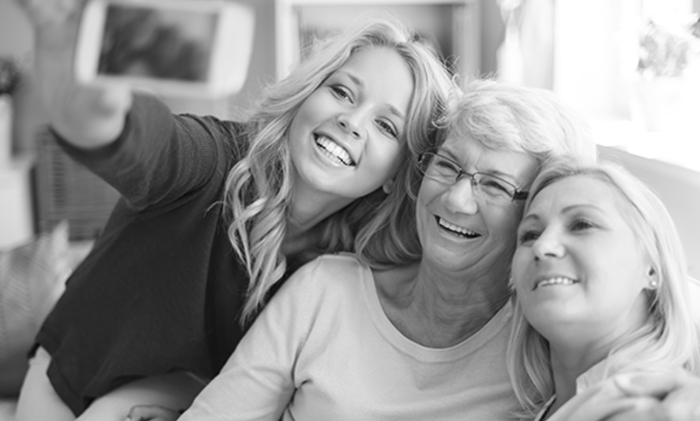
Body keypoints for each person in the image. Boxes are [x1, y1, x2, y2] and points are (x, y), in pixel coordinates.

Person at [13, 0, 454, 419]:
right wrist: (89, 96)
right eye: (342, 92)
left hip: (186, 395)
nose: (351, 122)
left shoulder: (354, 264)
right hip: (73, 377)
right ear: (307, 94)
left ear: (397, 173)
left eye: (386, 126)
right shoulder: (214, 161)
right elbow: (139, 143)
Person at [126, 78, 598, 421]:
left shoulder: (543, 350)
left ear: (536, 214)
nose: (456, 199)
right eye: (447, 166)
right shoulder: (324, 291)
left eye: (495, 186)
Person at [507, 157, 700, 421]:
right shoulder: (544, 409)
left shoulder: (667, 408)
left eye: (582, 225)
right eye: (530, 234)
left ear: (653, 268)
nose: (542, 246)